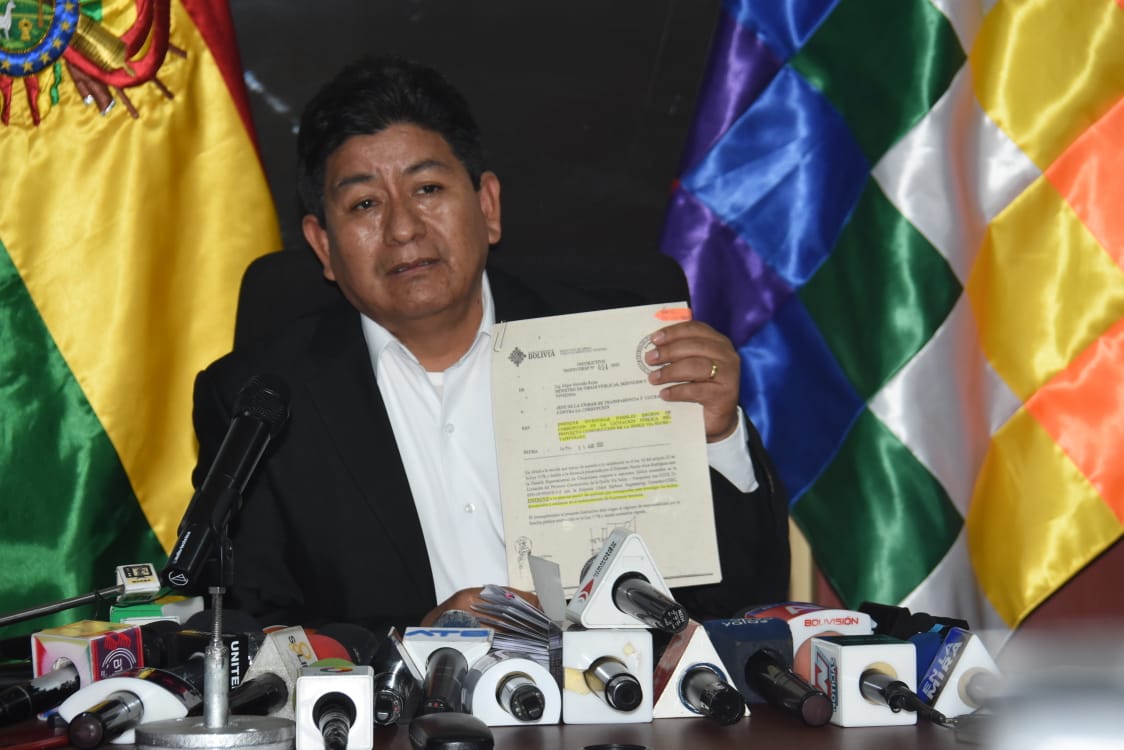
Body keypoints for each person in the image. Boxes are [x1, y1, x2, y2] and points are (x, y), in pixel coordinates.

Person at [190, 55, 790, 632]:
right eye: (365, 203)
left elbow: (741, 601)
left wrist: (717, 439)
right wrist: (416, 638)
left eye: (427, 189)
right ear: (323, 245)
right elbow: (251, 627)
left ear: (487, 205)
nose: (403, 228)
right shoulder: (259, 400)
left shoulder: (619, 353)